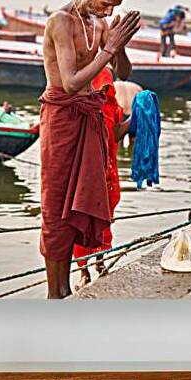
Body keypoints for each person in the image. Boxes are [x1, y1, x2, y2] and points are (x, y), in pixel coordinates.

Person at [40, 0, 142, 299]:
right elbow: (69, 83)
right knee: (56, 208)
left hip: (89, 121)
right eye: (104, 4)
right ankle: (56, 293)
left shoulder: (99, 24)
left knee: (78, 206)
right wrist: (108, 48)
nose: (108, 11)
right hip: (61, 120)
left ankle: (68, 291)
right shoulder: (61, 22)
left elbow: (122, 72)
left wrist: (120, 44)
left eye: (114, 7)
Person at [73, 67, 132, 288]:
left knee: (102, 219)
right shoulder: (83, 105)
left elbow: (115, 133)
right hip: (88, 173)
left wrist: (137, 116)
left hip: (104, 173)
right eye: (104, 88)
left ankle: (97, 263)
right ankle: (85, 270)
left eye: (108, 89)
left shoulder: (111, 107)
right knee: (85, 220)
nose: (106, 92)